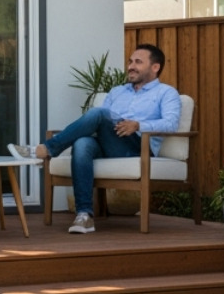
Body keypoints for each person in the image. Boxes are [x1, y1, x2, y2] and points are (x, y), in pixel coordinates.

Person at [13, 44, 180, 235]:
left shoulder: (166, 93)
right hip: (109, 142)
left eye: (138, 62)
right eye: (130, 61)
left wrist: (138, 125)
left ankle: (46, 150)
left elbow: (171, 124)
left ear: (155, 67)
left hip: (137, 147)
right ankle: (85, 216)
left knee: (98, 113)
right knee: (82, 144)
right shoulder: (118, 91)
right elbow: (101, 124)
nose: (131, 66)